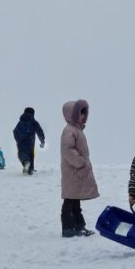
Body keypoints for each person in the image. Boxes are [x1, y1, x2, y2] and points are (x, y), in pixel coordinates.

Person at [60, 99, 99, 237]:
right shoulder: (69, 131)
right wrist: (81, 162)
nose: (83, 116)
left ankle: (79, 227)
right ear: (72, 114)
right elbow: (67, 150)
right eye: (80, 113)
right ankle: (68, 228)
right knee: (70, 201)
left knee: (75, 201)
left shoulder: (77, 130)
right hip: (73, 171)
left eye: (84, 113)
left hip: (77, 171)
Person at [13, 107, 45, 174]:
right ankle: (30, 169)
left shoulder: (21, 122)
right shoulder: (34, 122)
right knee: (30, 154)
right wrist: (42, 141)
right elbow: (39, 131)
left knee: (22, 153)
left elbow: (15, 131)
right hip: (30, 140)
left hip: (21, 141)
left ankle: (26, 163)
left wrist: (17, 139)